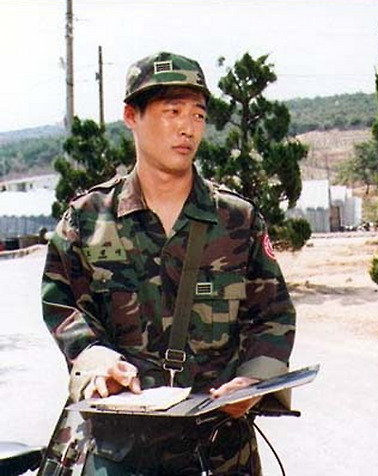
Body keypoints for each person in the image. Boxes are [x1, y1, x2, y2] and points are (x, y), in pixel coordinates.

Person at [41, 51, 296, 475]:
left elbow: (272, 314)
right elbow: (63, 305)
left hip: (219, 452)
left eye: (198, 115)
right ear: (131, 116)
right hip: (117, 452)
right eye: (172, 112)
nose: (187, 127)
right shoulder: (88, 220)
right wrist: (95, 359)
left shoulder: (237, 220)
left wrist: (254, 379)